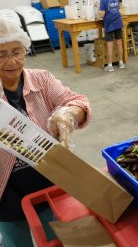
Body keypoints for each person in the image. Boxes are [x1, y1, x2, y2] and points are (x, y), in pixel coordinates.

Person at [0, 18, 92, 247]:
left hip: (47, 176)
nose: (11, 61)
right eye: (0, 54)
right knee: (15, 239)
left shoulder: (41, 79)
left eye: (16, 52)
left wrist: (69, 114)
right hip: (5, 187)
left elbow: (76, 100)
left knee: (53, 233)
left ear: (25, 50)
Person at [98, 0, 125, 72]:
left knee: (109, 45)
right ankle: (121, 63)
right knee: (119, 43)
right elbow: (117, 8)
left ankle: (110, 66)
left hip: (109, 24)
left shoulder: (103, 0)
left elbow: (102, 15)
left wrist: (97, 8)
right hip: (118, 22)